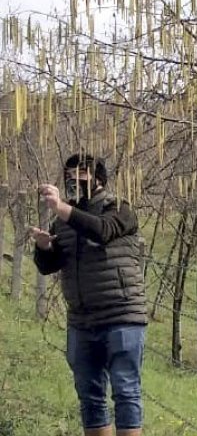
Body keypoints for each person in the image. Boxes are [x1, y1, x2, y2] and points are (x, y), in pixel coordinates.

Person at [29, 154, 146, 436]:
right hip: (82, 320)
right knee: (89, 395)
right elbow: (49, 266)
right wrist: (44, 247)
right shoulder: (65, 220)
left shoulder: (119, 208)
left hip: (121, 316)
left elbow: (102, 231)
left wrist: (60, 208)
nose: (73, 180)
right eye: (69, 175)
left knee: (125, 390)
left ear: (98, 180)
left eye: (81, 174)